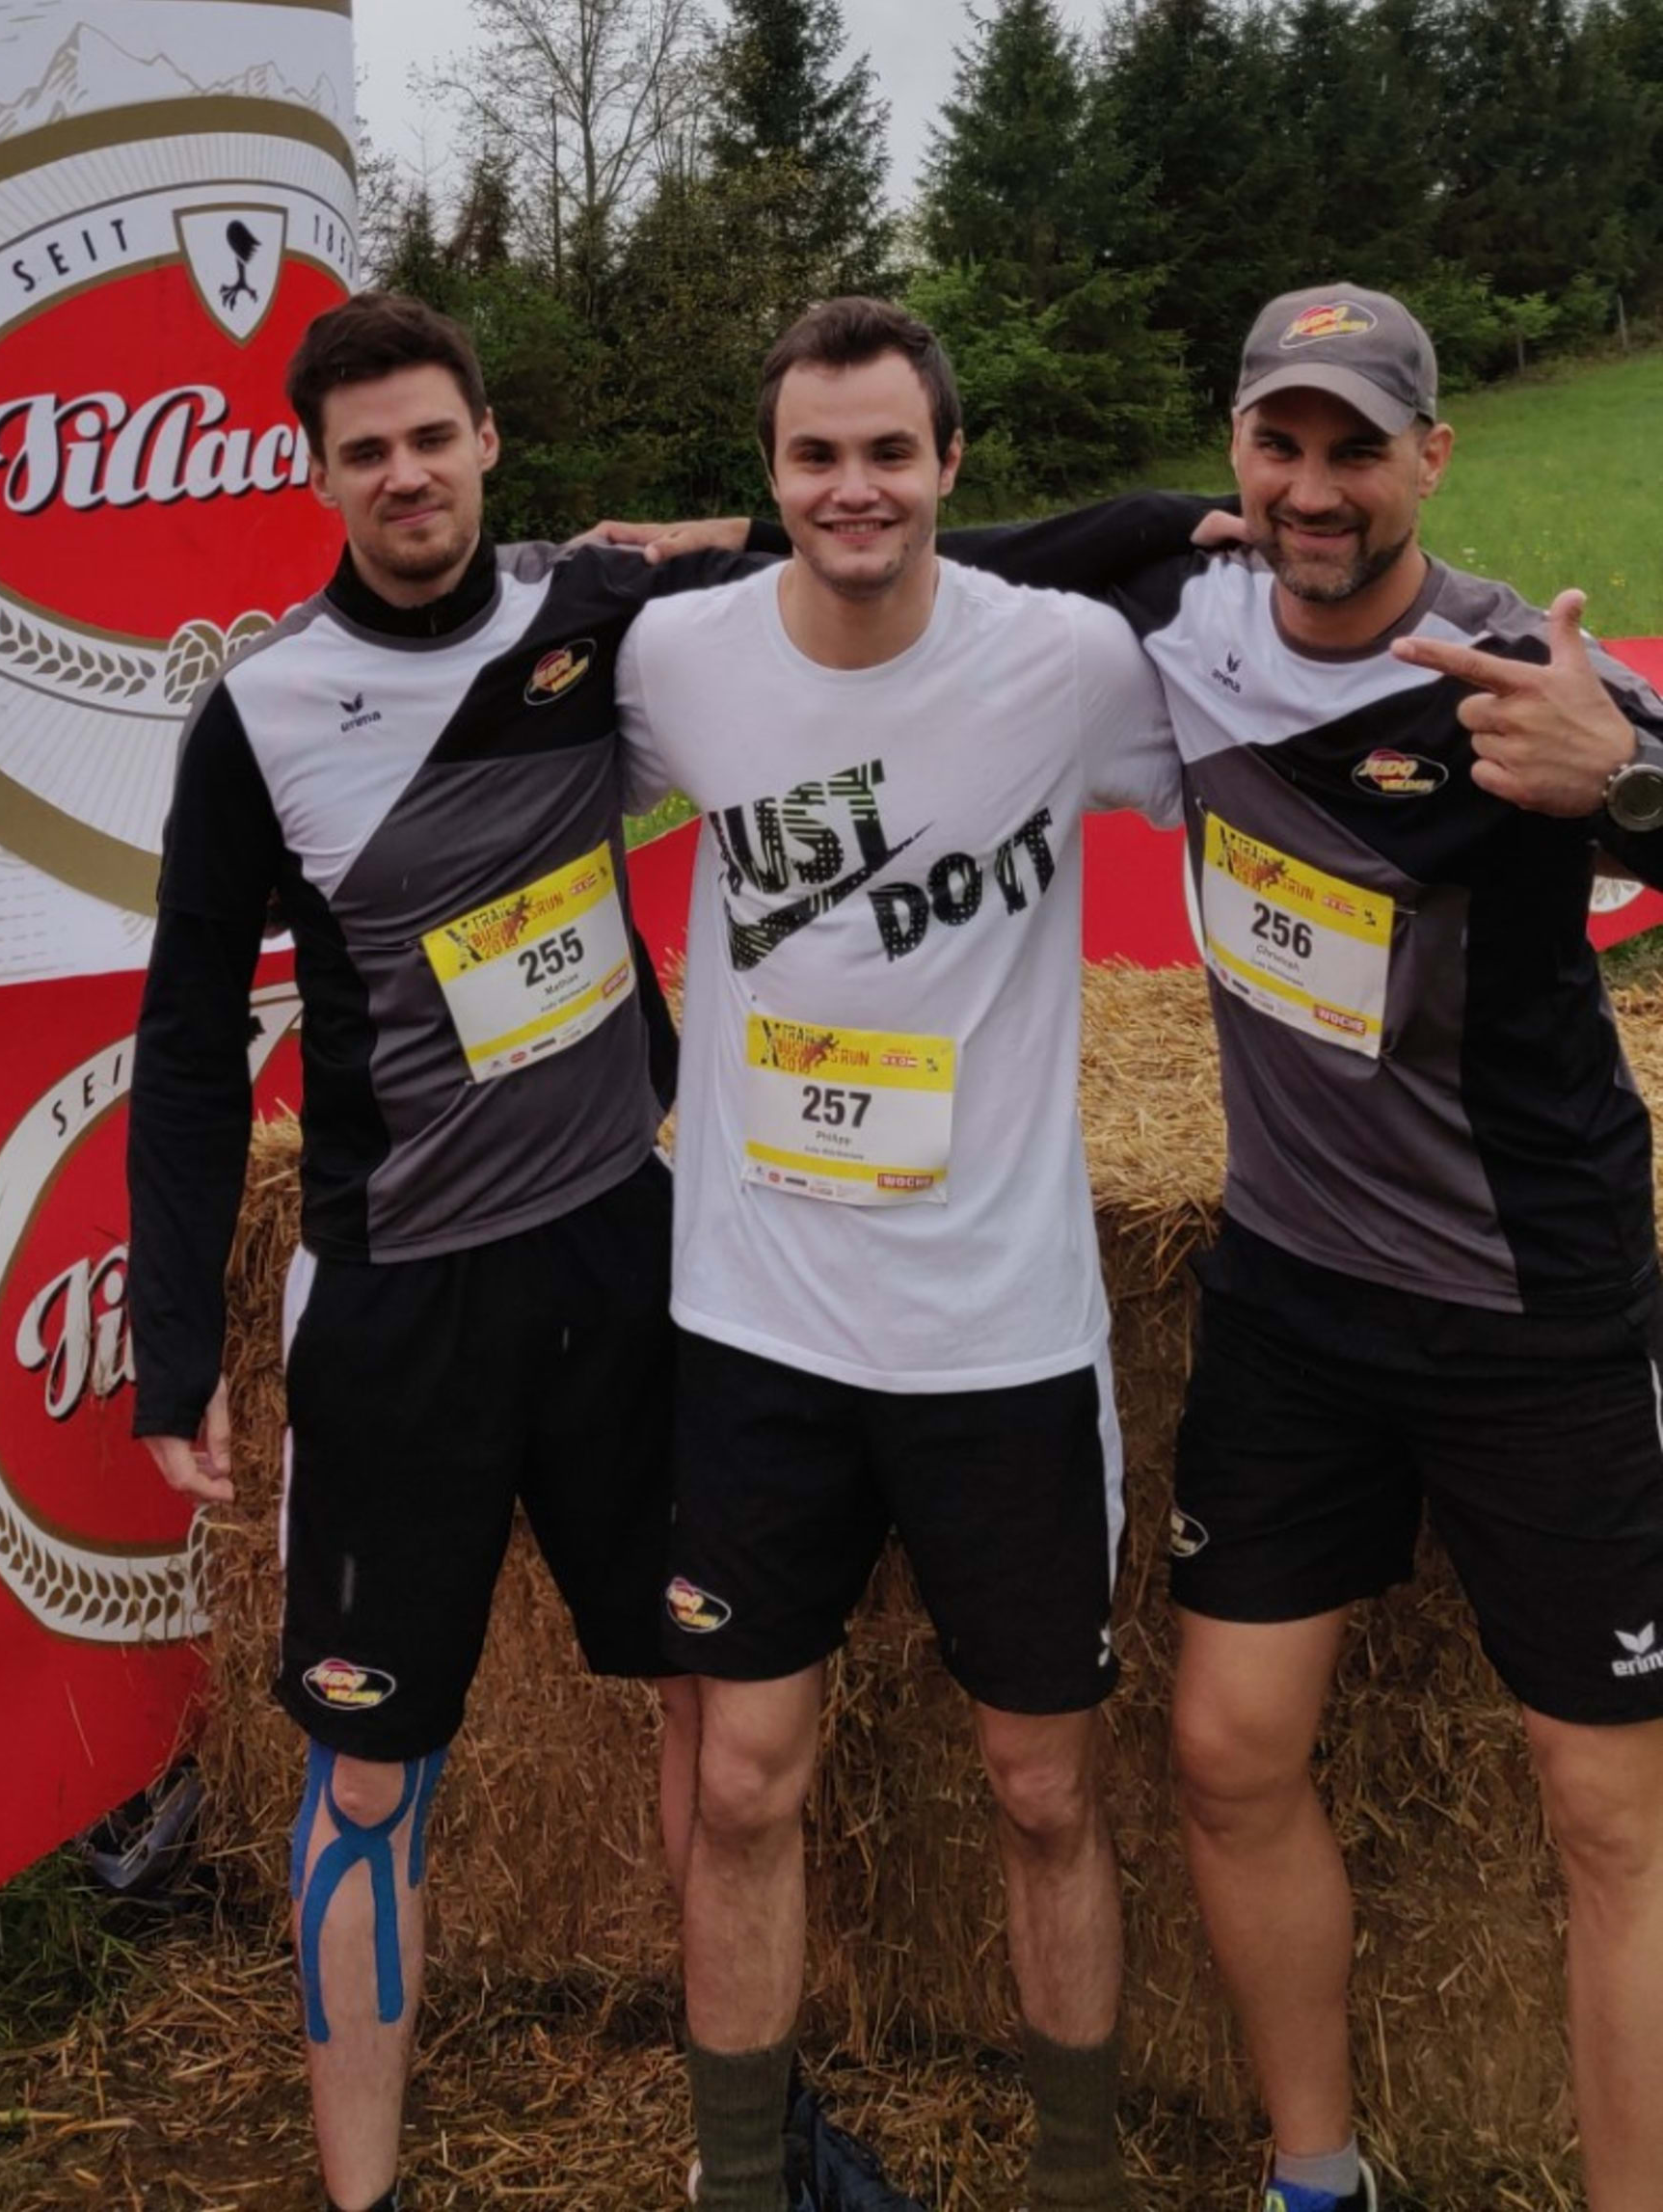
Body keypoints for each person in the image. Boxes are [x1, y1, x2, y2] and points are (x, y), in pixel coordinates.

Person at [942, 281, 1663, 2212]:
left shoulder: (1518, 670)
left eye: (1358, 447)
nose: (1316, 486)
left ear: (1433, 455)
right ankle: (1314, 2176)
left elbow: (1638, 780)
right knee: (1225, 1752)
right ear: (1236, 453)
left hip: (1529, 1305)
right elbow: (919, 554)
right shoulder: (1185, 618)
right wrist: (1134, 519)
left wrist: (1629, 777)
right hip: (1294, 1298)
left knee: (1609, 1814)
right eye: (1281, 442)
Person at [129, 291, 753, 2212]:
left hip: (623, 1255)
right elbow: (185, 1038)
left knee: (715, 1710)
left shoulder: (592, 609)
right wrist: (174, 1344)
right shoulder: (260, 712)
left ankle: (745, 2155)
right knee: (368, 1770)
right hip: (401, 1297)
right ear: (318, 475)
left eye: (430, 436)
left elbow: (869, 547)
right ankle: (364, 2194)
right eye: (364, 450)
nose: (403, 475)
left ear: (486, 438)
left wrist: (1183, 533)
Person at [613, 293, 1185, 2212]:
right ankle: (739, 2177)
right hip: (757, 1322)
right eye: (814, 455)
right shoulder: (678, 659)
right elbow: (500, 784)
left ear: (949, 464)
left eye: (885, 452)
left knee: (1045, 1787)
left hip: (996, 1336)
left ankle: (1077, 2177)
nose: (850, 488)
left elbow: (1275, 753)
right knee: (744, 1780)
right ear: (769, 475)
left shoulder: (1068, 663)